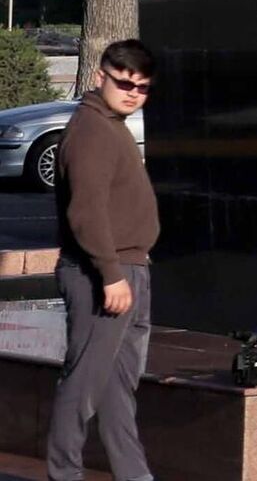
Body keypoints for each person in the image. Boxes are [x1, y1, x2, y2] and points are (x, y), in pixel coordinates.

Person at [48, 38, 159, 481]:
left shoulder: (111, 124)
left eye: (142, 87)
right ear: (100, 76)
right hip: (100, 274)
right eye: (124, 83)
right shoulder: (92, 130)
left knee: (117, 389)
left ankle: (134, 475)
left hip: (129, 268)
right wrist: (111, 275)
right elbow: (86, 212)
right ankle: (63, 474)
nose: (132, 93)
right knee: (83, 386)